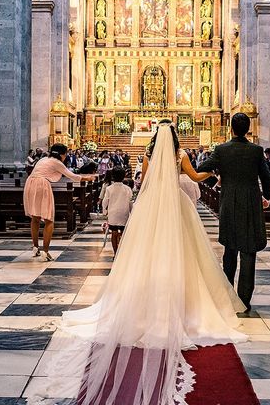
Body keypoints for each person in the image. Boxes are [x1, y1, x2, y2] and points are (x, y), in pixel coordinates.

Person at [28, 122, 246, 405]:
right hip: (175, 205)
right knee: (185, 250)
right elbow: (194, 175)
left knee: (147, 249)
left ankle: (145, 294)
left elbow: (142, 180)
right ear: (176, 138)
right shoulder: (179, 155)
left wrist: (142, 199)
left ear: (155, 137)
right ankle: (184, 298)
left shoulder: (148, 153)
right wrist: (213, 171)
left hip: (151, 204)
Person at [198, 113, 270, 312]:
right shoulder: (256, 151)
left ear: (231, 129)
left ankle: (228, 295)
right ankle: (244, 300)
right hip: (251, 204)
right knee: (249, 251)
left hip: (229, 203)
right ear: (247, 129)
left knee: (230, 251)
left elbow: (201, 169)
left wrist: (216, 183)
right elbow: (266, 177)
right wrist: (266, 197)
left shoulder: (222, 150)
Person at [23, 143, 96, 261]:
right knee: (49, 219)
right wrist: (88, 178)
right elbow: (71, 175)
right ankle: (45, 252)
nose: (66, 156)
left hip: (30, 183)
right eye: (65, 154)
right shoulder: (57, 162)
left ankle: (35, 247)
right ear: (62, 154)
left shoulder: (43, 159)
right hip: (41, 184)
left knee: (35, 217)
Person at [102, 166, 133, 255]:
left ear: (113, 176)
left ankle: (115, 253)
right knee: (123, 233)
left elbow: (105, 201)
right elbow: (130, 202)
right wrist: (132, 212)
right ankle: (122, 253)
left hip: (113, 214)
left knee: (114, 233)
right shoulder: (127, 189)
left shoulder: (109, 188)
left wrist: (104, 211)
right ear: (124, 176)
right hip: (124, 213)